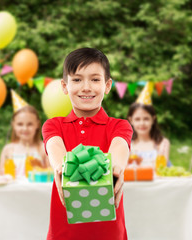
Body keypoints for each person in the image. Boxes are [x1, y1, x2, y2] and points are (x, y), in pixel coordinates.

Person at [42, 47, 133, 240]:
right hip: (64, 233)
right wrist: (60, 169)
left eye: (95, 79)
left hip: (109, 234)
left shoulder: (119, 126)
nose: (86, 87)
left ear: (107, 85)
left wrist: (116, 168)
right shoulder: (54, 125)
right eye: (77, 79)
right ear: (65, 86)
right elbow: (55, 147)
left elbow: (119, 147)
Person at [0, 90, 48, 179]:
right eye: (20, 124)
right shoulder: (8, 149)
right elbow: (0, 178)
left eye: (30, 124)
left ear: (37, 124)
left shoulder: (43, 149)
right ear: (13, 125)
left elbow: (51, 176)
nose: (25, 128)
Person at [127, 84, 171, 170]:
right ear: (131, 120)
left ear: (153, 119)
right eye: (137, 119)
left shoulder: (162, 143)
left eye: (146, 119)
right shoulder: (128, 145)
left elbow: (161, 168)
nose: (142, 123)